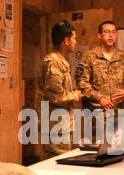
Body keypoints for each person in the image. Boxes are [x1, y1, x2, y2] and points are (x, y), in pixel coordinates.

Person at [38, 20, 83, 159]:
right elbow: (55, 96)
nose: (76, 41)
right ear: (66, 41)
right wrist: (75, 95)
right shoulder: (55, 62)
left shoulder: (60, 61)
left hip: (59, 125)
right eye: (74, 38)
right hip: (56, 127)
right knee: (57, 165)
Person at [75, 20, 124, 111]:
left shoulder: (123, 57)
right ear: (99, 35)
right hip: (96, 111)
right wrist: (99, 98)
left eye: (114, 32)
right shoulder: (89, 57)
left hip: (118, 111)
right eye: (107, 32)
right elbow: (82, 83)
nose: (111, 35)